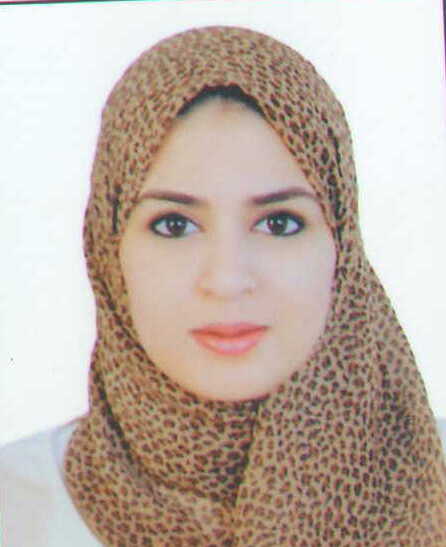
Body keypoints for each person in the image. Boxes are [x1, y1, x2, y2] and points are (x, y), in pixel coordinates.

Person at [2, 25, 446, 546]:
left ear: (341, 247)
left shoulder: (434, 479)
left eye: (279, 223)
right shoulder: (14, 508)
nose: (228, 279)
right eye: (175, 225)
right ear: (109, 248)